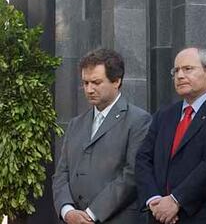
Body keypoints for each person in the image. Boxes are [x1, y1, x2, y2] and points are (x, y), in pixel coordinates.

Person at [135, 47, 206, 224]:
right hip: (160, 216)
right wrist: (153, 200)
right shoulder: (164, 115)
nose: (180, 76)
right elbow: (143, 158)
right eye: (176, 71)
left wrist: (176, 200)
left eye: (187, 69)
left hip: (205, 217)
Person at [52, 48, 151, 224]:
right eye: (85, 83)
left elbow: (131, 175)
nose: (89, 89)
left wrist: (91, 214)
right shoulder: (76, 124)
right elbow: (61, 173)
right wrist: (67, 211)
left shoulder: (138, 121)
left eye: (96, 82)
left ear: (117, 81)